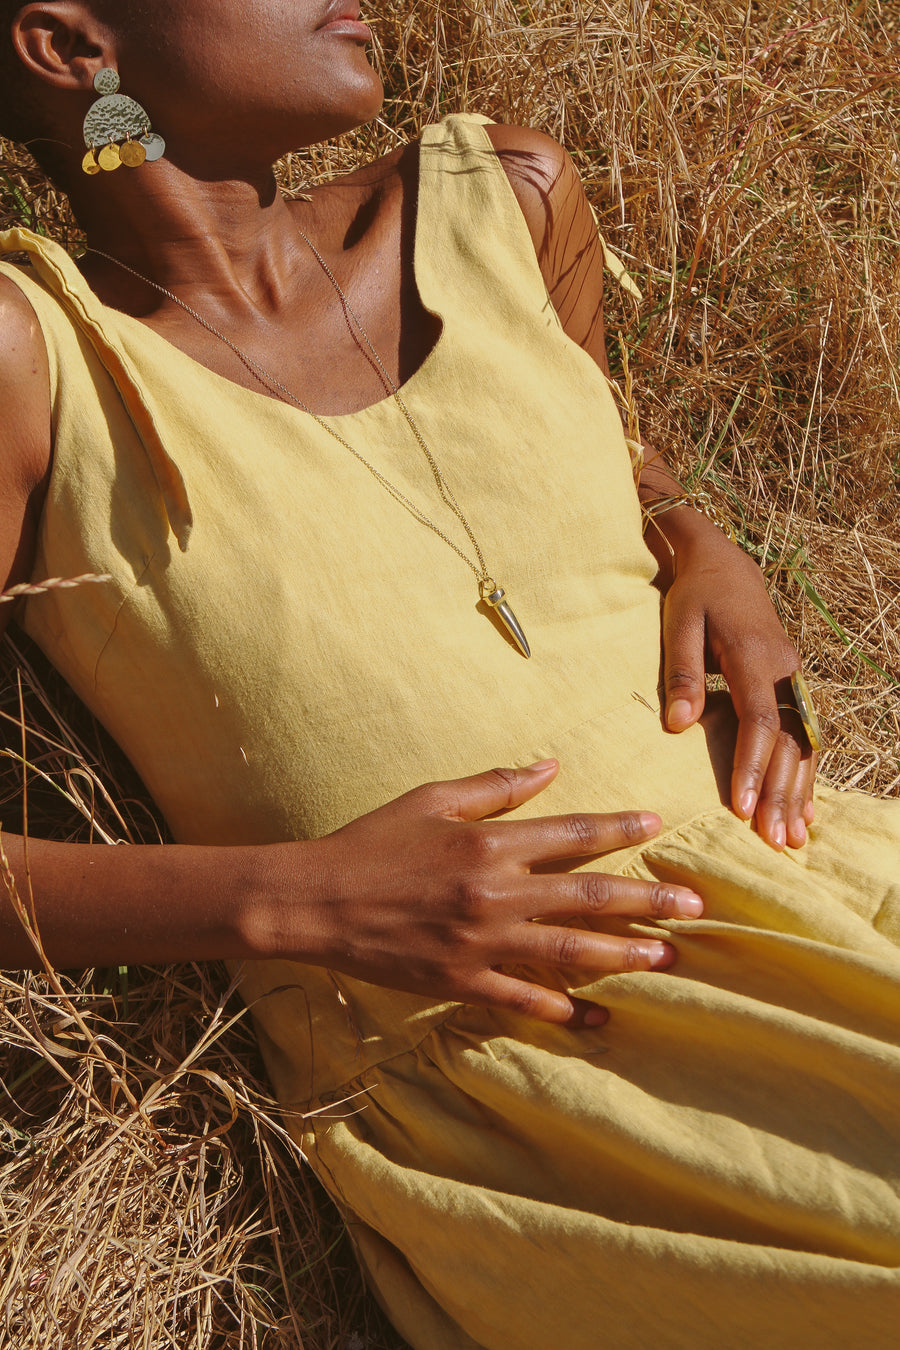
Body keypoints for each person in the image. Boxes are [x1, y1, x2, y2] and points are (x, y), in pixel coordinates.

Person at [0, 3, 898, 1346]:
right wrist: (290, 903)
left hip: (829, 890)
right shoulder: (42, 364)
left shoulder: (506, 198)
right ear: (76, 50)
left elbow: (600, 447)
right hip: (565, 1086)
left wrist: (697, 539)